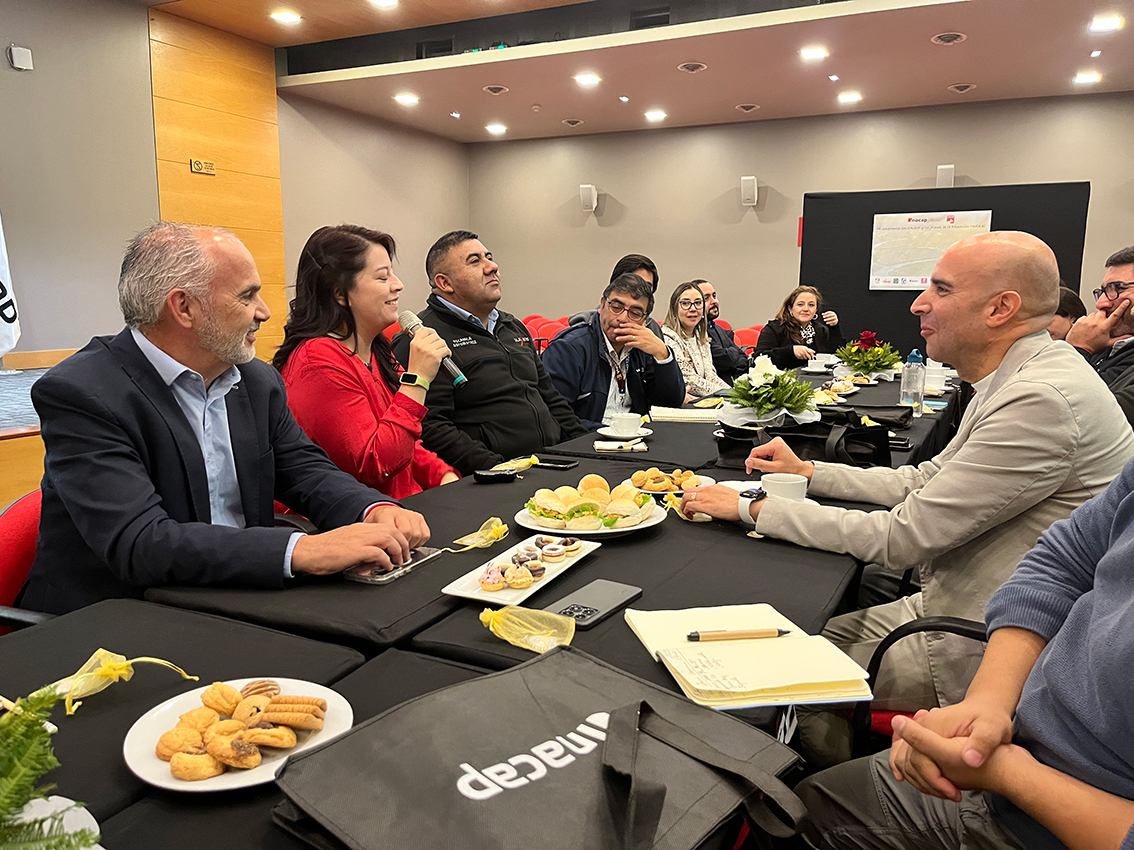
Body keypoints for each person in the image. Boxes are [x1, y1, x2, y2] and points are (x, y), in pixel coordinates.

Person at [681, 232, 1134, 763]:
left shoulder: (1040, 398)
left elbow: (901, 537)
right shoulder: (1025, 374)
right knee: (799, 631)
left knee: (787, 672)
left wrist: (750, 507)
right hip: (959, 606)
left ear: (1001, 308)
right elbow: (923, 479)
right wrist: (809, 471)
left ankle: (825, 795)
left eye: (941, 289)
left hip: (984, 642)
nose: (918, 304)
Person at [20, 222, 430, 615]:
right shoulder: (82, 393)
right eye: (247, 296)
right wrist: (301, 550)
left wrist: (370, 508)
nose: (264, 312)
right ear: (184, 307)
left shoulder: (255, 380)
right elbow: (141, 542)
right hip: (117, 615)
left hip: (234, 595)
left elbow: (306, 471)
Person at [797, 458, 1134, 850]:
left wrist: (1007, 773)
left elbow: (902, 534)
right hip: (1015, 715)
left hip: (1037, 810)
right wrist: (987, 701)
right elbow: (1064, 558)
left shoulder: (1044, 414)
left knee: (802, 680)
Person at [273, 225, 459, 500]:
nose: (398, 284)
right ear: (340, 293)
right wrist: (417, 379)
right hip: (365, 516)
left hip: (408, 505)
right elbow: (375, 466)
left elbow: (406, 442)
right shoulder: (317, 360)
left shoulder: (376, 350)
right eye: (383, 277)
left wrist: (442, 476)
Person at [391, 230, 586, 475]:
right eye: (475, 261)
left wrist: (584, 449)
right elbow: (433, 427)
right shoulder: (422, 340)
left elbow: (551, 399)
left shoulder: (512, 326)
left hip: (549, 463)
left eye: (489, 257)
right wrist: (498, 469)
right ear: (445, 283)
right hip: (494, 475)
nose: (492, 267)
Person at [542, 273, 685, 430]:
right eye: (616, 307)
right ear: (602, 305)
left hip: (635, 438)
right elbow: (554, 417)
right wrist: (610, 433)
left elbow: (670, 403)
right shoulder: (568, 349)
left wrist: (662, 353)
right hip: (588, 439)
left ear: (644, 321)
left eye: (635, 313)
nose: (622, 318)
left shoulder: (642, 348)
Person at [1065, 246, 1134, 384]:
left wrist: (1079, 349)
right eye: (1103, 291)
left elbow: (1068, 395)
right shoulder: (1104, 346)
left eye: (1118, 288)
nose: (1100, 303)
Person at [660, 281, 731, 401]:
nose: (693, 309)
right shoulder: (667, 337)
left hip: (705, 400)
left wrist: (733, 393)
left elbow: (711, 376)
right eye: (685, 303)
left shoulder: (701, 336)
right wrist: (726, 395)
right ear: (674, 308)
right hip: (683, 403)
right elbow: (690, 380)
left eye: (698, 303)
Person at [569, 253, 666, 340]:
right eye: (631, 282)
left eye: (647, 286)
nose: (638, 289)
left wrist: (663, 352)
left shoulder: (652, 329)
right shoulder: (584, 324)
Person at [754, 284, 844, 369]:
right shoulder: (774, 328)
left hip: (816, 378)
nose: (806, 309)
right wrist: (791, 351)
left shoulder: (821, 330)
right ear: (790, 309)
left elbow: (837, 355)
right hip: (783, 378)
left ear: (816, 310)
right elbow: (759, 358)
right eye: (800, 304)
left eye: (811, 305)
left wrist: (834, 327)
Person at [696, 279, 749, 382]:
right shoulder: (697, 333)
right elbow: (725, 360)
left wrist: (731, 354)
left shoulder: (718, 328)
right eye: (706, 298)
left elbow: (742, 357)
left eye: (714, 296)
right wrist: (733, 353)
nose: (714, 301)